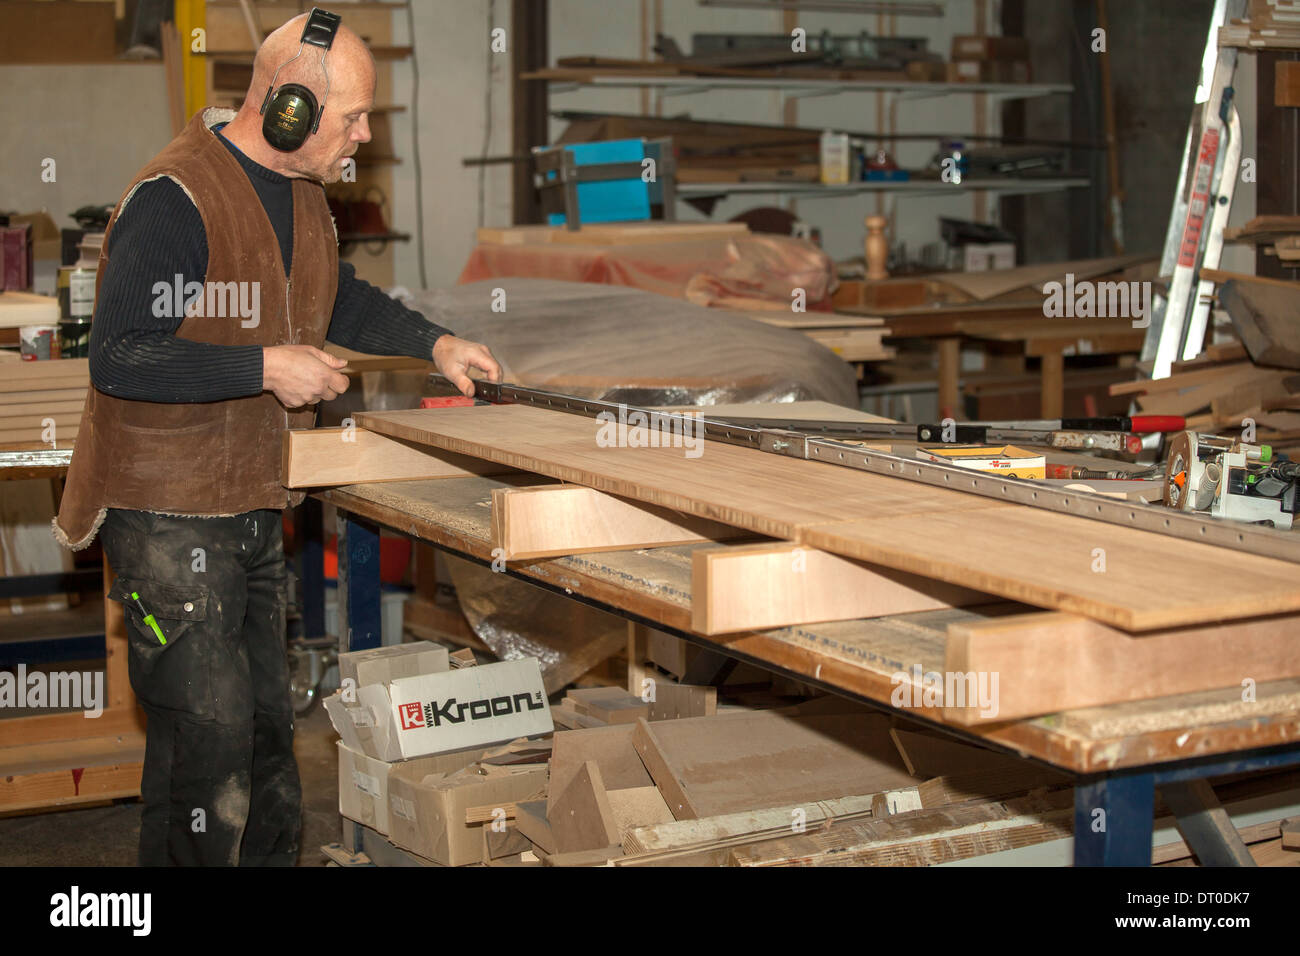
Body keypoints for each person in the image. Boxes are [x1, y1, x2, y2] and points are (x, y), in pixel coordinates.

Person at [52, 9, 501, 866]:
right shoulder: (173, 198)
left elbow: (334, 295)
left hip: (250, 508)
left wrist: (435, 344)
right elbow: (119, 356)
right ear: (288, 109)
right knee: (210, 747)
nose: (367, 135)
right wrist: (265, 366)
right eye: (354, 116)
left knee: (261, 743)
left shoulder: (300, 195)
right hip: (164, 518)